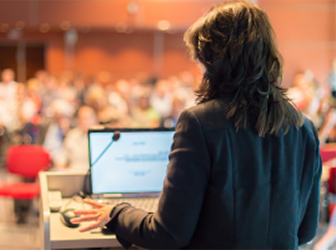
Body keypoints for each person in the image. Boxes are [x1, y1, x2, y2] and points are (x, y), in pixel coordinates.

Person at [71, 1, 322, 249]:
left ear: (214, 62)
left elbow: (168, 234)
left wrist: (116, 213)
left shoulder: (199, 123)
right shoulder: (305, 128)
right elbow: (305, 232)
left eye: (200, 61)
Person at [53, 106, 98, 172]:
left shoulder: (101, 136)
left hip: (93, 173)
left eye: (87, 118)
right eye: (82, 118)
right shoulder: (72, 135)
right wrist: (60, 164)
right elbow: (62, 157)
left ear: (95, 119)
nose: (84, 121)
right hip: (73, 172)